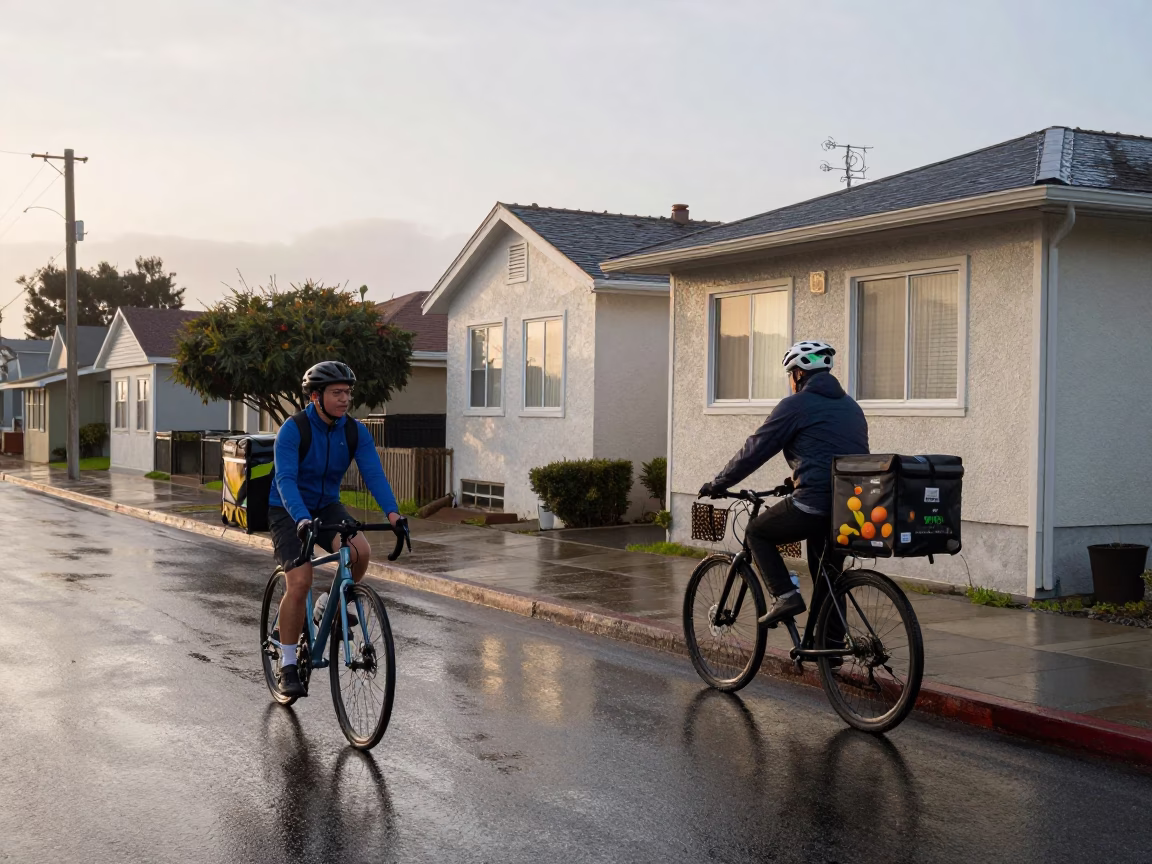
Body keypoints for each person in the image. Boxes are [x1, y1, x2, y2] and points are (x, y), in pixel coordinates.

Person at [698, 341, 868, 629]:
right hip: (849, 508)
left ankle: (785, 596)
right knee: (828, 577)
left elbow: (756, 449)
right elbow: (834, 453)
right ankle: (832, 654)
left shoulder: (796, 405)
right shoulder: (851, 406)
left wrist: (719, 483)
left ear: (799, 374)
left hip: (814, 503)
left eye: (790, 374)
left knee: (756, 532)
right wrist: (794, 481)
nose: (790, 381)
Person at [268, 360, 403, 698]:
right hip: (287, 507)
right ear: (316, 397)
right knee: (299, 580)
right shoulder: (293, 429)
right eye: (337, 393)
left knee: (360, 551)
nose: (345, 399)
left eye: (348, 392)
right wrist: (300, 519)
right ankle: (286, 664)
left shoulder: (354, 431)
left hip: (326, 503)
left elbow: (374, 475)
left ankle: (328, 601)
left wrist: (393, 514)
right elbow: (285, 480)